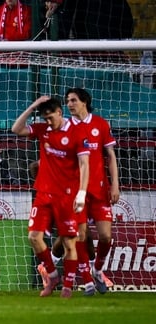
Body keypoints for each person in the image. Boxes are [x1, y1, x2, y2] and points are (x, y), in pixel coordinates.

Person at [37, 88, 119, 295]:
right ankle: (87, 281)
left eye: (73, 100)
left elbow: (110, 155)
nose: (70, 104)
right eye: (67, 101)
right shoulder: (64, 125)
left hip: (99, 190)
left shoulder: (100, 124)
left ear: (84, 102)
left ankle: (97, 270)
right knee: (77, 235)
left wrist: (115, 184)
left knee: (105, 237)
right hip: (72, 191)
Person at [11, 95, 90, 298]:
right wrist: (33, 105)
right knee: (34, 237)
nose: (48, 122)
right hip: (44, 193)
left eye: (50, 117)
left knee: (69, 242)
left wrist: (81, 192)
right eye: (44, 118)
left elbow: (84, 164)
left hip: (67, 196)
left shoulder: (77, 132)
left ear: (59, 112)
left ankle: (68, 286)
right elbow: (16, 129)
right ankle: (53, 276)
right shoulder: (43, 129)